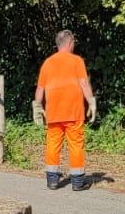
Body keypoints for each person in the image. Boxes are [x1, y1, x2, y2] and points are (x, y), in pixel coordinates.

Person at [34, 30, 97, 191]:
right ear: (70, 43)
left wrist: (37, 106)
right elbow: (83, 83)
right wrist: (91, 102)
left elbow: (40, 88)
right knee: (75, 144)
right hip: (73, 111)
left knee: (53, 144)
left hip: (54, 112)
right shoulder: (76, 61)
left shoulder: (48, 63)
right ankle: (77, 182)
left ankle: (52, 181)